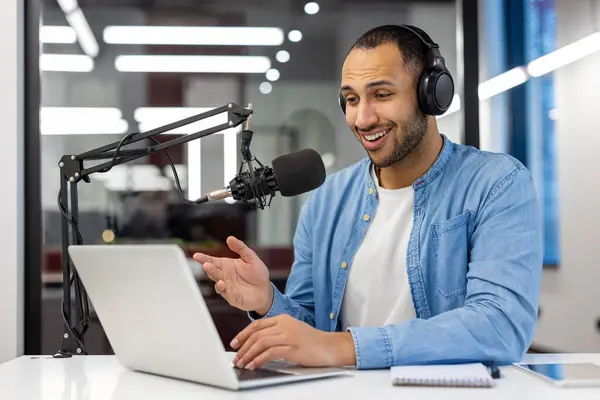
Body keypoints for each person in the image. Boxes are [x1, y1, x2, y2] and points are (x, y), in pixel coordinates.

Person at [193, 24, 543, 371]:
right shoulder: (327, 201)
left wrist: (346, 346)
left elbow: (500, 326)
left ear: (431, 94)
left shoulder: (496, 184)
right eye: (351, 99)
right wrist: (267, 300)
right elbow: (313, 332)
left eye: (382, 95)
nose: (362, 118)